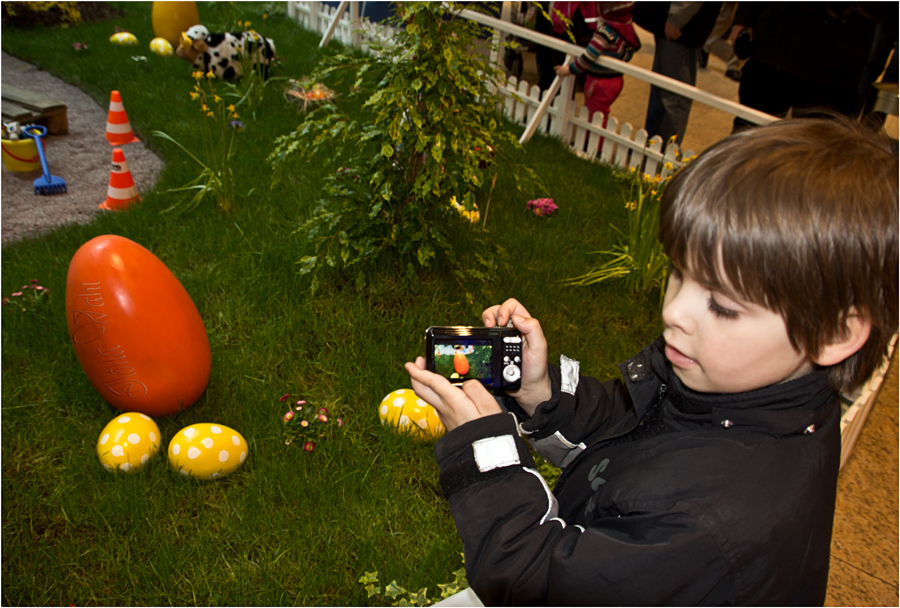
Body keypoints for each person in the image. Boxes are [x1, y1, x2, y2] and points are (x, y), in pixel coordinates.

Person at [407, 116, 898, 605]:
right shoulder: (744, 390)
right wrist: (541, 394)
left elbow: (539, 584)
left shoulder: (713, 527)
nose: (673, 311)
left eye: (724, 305)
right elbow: (628, 424)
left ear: (834, 333)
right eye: (679, 274)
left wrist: (488, 456)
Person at [729, 2, 890, 132]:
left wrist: (851, 16)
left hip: (834, 64)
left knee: (812, 155)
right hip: (774, 46)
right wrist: (745, 16)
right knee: (746, 135)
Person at [633, 1, 722, 146]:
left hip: (684, 26)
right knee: (660, 89)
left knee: (673, 98)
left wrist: (677, 17)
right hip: (669, 19)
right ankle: (651, 145)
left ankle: (665, 152)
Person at [553, 2, 641, 130]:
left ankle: (593, 144)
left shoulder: (605, 32)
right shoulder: (626, 28)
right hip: (616, 79)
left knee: (595, 116)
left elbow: (590, 55)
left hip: (599, 81)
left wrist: (570, 69)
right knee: (600, 112)